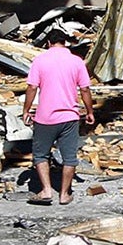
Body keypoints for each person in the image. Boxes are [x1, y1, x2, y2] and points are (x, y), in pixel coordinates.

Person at [22, 26, 95, 205]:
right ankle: (64, 194)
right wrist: (90, 111)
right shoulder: (77, 61)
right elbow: (85, 89)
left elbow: (32, 87)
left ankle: (46, 190)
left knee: (40, 155)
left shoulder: (39, 60)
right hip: (70, 116)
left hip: (45, 117)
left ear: (48, 43)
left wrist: (26, 109)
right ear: (65, 43)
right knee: (69, 157)